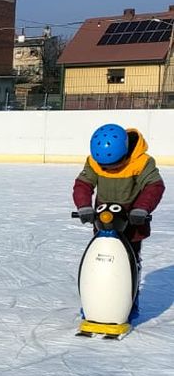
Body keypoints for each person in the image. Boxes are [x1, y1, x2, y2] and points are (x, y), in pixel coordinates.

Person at [73, 123, 165, 319]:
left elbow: (154, 186)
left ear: (124, 154)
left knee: (130, 262)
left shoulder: (142, 162)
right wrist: (84, 206)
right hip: (104, 220)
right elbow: (83, 183)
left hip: (133, 222)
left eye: (113, 165)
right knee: (100, 259)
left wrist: (142, 208)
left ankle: (130, 301)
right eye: (104, 167)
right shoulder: (94, 162)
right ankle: (95, 300)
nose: (108, 170)